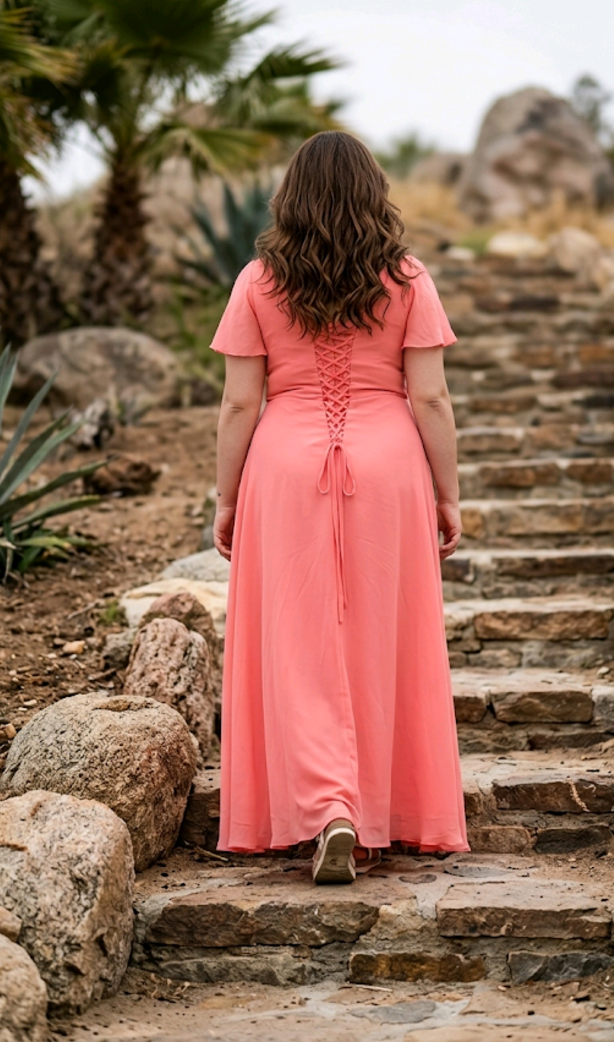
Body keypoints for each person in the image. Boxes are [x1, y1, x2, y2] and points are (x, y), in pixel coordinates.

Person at [209, 130, 469, 885]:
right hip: (389, 465)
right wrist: (447, 492)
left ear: (290, 198)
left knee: (297, 639)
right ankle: (384, 807)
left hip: (284, 467)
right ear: (373, 193)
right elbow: (430, 396)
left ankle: (326, 807)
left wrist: (228, 499)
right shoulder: (409, 278)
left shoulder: (257, 281)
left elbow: (238, 404)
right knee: (386, 634)